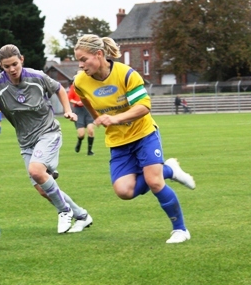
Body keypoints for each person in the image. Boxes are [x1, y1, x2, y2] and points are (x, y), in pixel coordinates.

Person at [73, 34, 195, 243]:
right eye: (78, 60)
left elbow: (143, 107)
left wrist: (115, 118)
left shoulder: (127, 74)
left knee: (154, 182)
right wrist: (98, 119)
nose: (81, 65)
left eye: (84, 59)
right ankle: (170, 169)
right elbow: (85, 100)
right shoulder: (80, 82)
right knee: (124, 191)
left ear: (99, 54)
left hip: (143, 134)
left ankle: (180, 230)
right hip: (119, 142)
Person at [0, 44, 92, 234]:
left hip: (49, 133)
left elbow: (59, 89)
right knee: (42, 188)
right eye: (7, 66)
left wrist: (68, 111)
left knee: (36, 171)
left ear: (21, 59)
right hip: (26, 141)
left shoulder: (37, 76)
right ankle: (82, 216)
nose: (12, 69)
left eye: (15, 64)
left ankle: (64, 211)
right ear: (1, 66)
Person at [68, 78, 95, 155]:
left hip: (88, 109)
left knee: (90, 130)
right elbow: (70, 98)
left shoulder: (89, 86)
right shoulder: (73, 87)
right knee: (81, 134)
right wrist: (77, 102)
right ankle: (79, 141)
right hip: (78, 111)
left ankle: (89, 151)